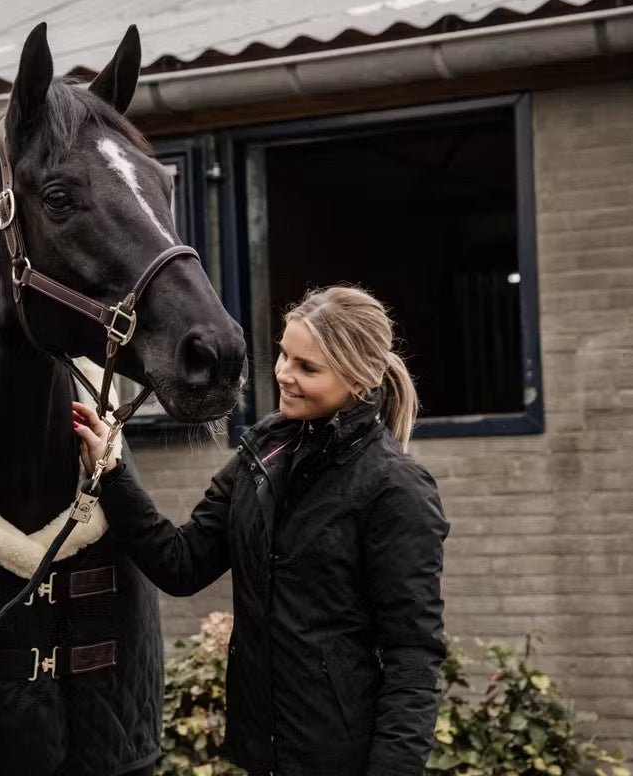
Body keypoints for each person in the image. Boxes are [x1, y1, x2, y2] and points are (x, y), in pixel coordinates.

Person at [73, 285, 450, 776]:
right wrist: (113, 473)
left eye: (308, 368)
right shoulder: (262, 454)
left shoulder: (395, 487)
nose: (285, 375)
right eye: (284, 355)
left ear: (360, 378)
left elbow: (412, 657)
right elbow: (181, 564)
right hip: (263, 758)